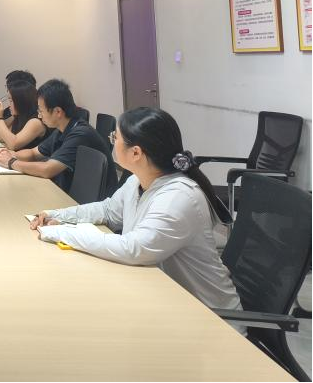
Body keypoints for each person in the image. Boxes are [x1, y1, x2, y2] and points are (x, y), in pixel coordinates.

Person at [28, 107, 241, 312]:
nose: (112, 140)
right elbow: (108, 211)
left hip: (211, 317)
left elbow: (133, 249)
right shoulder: (137, 181)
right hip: (166, 300)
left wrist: (62, 233)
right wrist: (57, 215)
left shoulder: (178, 197)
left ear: (136, 152)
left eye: (115, 137)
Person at [0, 79, 113, 191]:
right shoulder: (61, 129)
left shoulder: (80, 134)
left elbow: (47, 169)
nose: (39, 115)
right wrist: (11, 154)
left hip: (89, 200)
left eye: (41, 111)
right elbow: (33, 153)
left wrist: (11, 162)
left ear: (58, 112)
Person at [0, 78, 49, 150]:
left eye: (11, 100)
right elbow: (1, 137)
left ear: (21, 101)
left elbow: (14, 145)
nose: (9, 105)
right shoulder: (20, 117)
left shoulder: (36, 121)